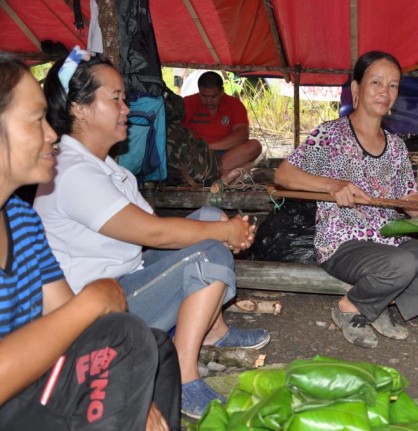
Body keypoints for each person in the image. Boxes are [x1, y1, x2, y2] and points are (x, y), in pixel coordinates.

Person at [34, 48, 269, 420]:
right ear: (79, 108)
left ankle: (211, 329)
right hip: (97, 310)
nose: (127, 109)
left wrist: (220, 226)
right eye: (116, 99)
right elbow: (156, 233)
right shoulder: (72, 170)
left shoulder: (108, 168)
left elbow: (155, 229)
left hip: (128, 279)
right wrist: (227, 232)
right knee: (209, 251)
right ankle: (185, 373)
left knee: (207, 217)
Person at [0, 52, 180, 430]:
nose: (52, 133)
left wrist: (134, 386)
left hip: (38, 385)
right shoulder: (73, 174)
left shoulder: (21, 220)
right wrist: (92, 303)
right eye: (37, 120)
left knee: (149, 345)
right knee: (126, 337)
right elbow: (80, 313)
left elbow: (72, 319)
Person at [274, 51, 418, 349]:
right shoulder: (331, 134)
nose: (385, 91)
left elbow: (409, 199)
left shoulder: (395, 146)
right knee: (402, 265)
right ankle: (350, 308)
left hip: (390, 242)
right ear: (356, 89)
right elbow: (283, 174)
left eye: (393, 85)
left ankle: (378, 302)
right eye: (377, 82)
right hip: (343, 243)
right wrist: (332, 185)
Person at [183, 71, 262, 184]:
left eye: (213, 96)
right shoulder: (187, 103)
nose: (209, 101)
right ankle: (224, 174)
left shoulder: (234, 104)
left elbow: (242, 135)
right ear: (199, 91)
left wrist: (209, 146)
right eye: (204, 96)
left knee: (255, 145)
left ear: (222, 91)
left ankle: (215, 173)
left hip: (227, 155)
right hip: (197, 155)